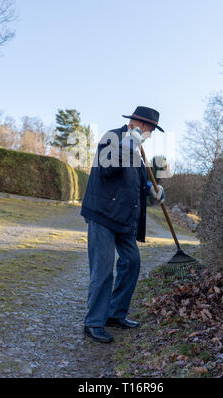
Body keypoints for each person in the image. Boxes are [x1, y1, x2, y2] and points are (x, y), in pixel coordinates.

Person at [80, 106, 165, 343]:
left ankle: (116, 314)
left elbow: (139, 181)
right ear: (139, 124)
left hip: (124, 219)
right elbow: (107, 168)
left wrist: (153, 189)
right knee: (103, 270)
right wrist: (128, 145)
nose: (150, 135)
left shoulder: (138, 152)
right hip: (103, 215)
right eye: (150, 130)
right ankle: (93, 322)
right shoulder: (112, 138)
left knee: (132, 262)